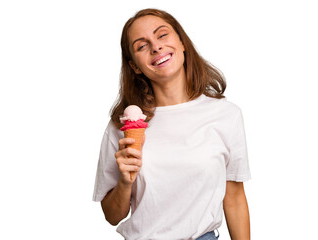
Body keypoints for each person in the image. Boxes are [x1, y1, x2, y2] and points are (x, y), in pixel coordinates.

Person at [93, 8, 251, 240]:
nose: (156, 47)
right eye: (141, 46)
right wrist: (125, 182)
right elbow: (112, 215)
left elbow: (235, 199)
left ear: (182, 42)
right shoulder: (121, 127)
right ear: (135, 66)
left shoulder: (225, 115)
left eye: (162, 35)